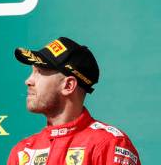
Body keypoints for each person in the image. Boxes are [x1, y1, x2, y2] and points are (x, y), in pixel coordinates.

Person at [8, 37, 141, 165]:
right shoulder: (23, 152)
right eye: (32, 72)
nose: (28, 81)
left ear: (68, 86)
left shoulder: (110, 144)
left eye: (40, 72)